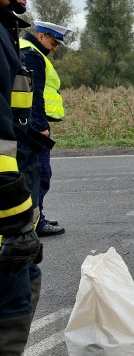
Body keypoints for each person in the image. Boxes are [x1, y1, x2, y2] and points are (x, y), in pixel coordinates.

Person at [0, 0, 66, 356]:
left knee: (20, 294)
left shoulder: (5, 34)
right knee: (6, 306)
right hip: (2, 204)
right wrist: (18, 219)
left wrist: (30, 135)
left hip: (14, 190)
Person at [20, 21, 69, 235]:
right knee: (39, 173)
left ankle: (35, 220)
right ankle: (35, 224)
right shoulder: (32, 55)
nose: (55, 47)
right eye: (53, 41)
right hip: (32, 126)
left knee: (33, 174)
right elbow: (34, 95)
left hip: (23, 123)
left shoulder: (23, 48)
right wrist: (40, 126)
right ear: (40, 36)